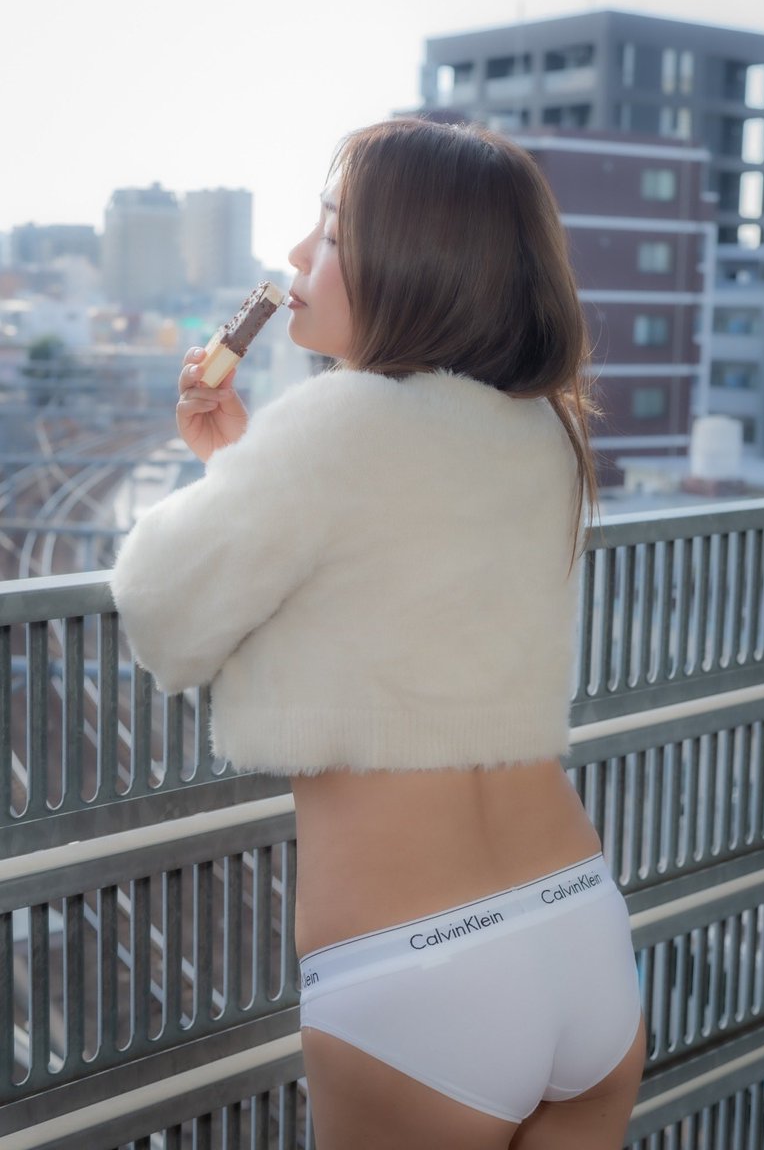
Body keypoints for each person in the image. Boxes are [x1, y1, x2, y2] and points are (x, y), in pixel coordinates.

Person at [111, 117, 645, 1150]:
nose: (297, 256)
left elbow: (164, 614)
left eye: (330, 232)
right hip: (579, 921)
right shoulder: (543, 429)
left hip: (420, 971)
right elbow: (386, 568)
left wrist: (229, 467)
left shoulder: (335, 425)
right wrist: (247, 466)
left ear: (416, 263)